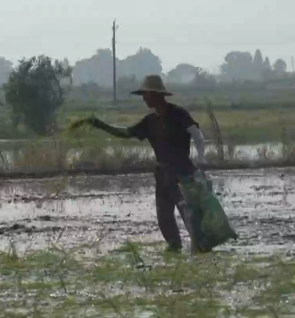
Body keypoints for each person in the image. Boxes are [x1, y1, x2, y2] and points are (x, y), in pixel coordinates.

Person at [76, 74, 207, 253]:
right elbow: (126, 133)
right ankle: (174, 248)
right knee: (164, 218)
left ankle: (199, 250)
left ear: (157, 95)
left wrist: (201, 158)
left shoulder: (178, 114)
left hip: (182, 173)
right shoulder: (150, 121)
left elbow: (196, 133)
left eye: (146, 94)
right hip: (162, 175)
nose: (144, 98)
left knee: (188, 215)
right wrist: (101, 125)